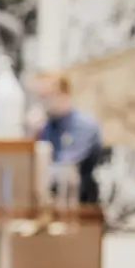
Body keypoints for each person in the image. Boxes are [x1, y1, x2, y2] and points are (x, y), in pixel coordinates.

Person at [35, 72, 103, 205]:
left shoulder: (84, 125)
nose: (42, 103)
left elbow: (64, 168)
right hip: (56, 200)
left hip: (83, 205)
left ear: (63, 94)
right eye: (40, 97)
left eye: (46, 96)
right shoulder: (48, 126)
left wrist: (36, 173)